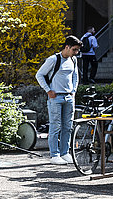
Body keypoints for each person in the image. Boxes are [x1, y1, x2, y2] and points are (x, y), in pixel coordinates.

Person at [35, 35, 82, 164]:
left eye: (77, 50)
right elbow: (39, 74)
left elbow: (75, 77)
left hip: (69, 97)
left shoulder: (74, 60)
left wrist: (73, 91)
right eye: (74, 49)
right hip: (56, 97)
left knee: (68, 126)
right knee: (55, 126)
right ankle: (54, 155)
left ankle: (65, 153)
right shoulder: (53, 59)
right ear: (67, 47)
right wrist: (48, 90)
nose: (76, 52)